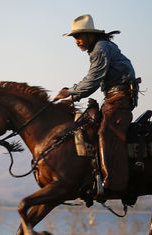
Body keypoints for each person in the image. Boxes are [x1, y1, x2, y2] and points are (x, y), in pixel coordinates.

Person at [54, 14, 138, 197]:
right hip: (113, 98)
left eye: (79, 36)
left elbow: (93, 80)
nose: (76, 41)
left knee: (105, 132)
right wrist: (72, 94)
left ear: (90, 35)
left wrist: (71, 94)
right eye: (74, 37)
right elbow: (93, 80)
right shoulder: (100, 48)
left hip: (119, 99)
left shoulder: (100, 49)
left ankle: (112, 183)